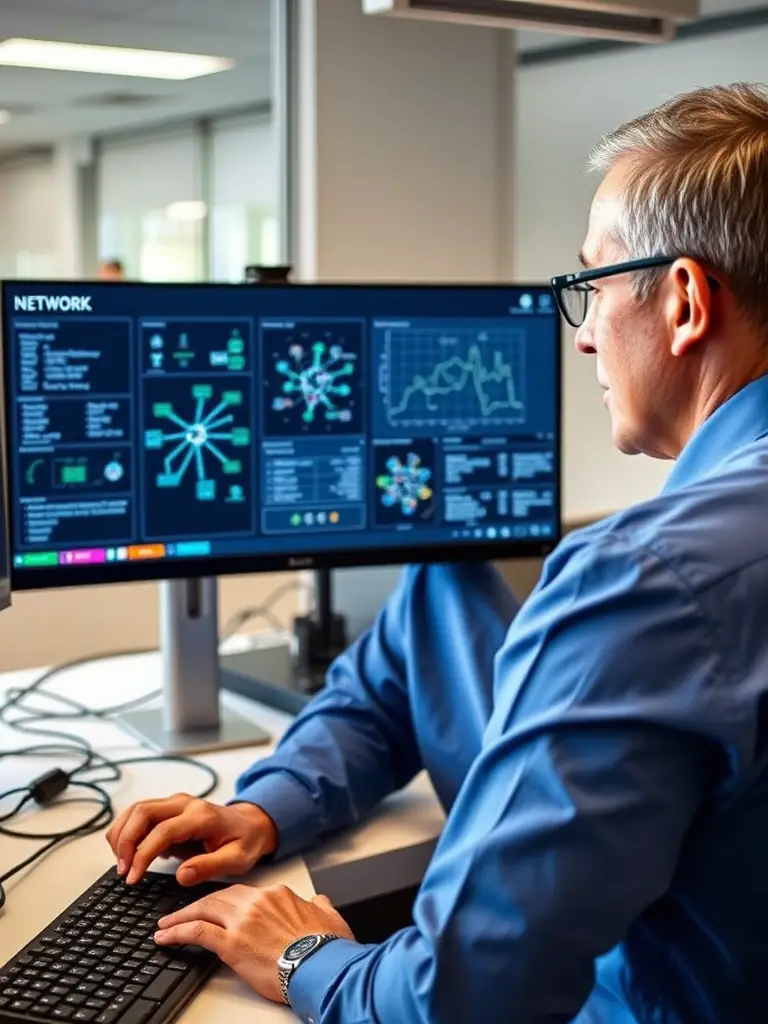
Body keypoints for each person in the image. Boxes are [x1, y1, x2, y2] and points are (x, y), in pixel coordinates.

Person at [107, 81, 768, 1022]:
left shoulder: (644, 579)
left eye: (589, 287)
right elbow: (402, 668)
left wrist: (305, 958)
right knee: (444, 583)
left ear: (686, 300)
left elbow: (460, 998)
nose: (581, 343)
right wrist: (269, 808)